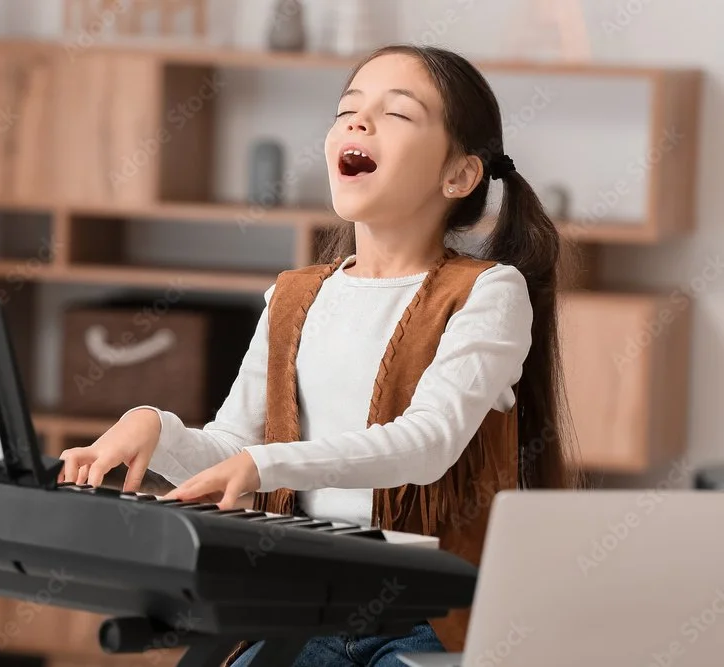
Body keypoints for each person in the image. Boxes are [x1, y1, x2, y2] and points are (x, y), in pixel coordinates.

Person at [59, 44, 577, 667]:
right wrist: (157, 429)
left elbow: (429, 442)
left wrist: (262, 465)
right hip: (303, 610)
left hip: (431, 622)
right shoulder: (294, 295)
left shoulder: (489, 292)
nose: (358, 122)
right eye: (348, 109)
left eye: (399, 113)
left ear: (459, 176)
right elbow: (234, 448)